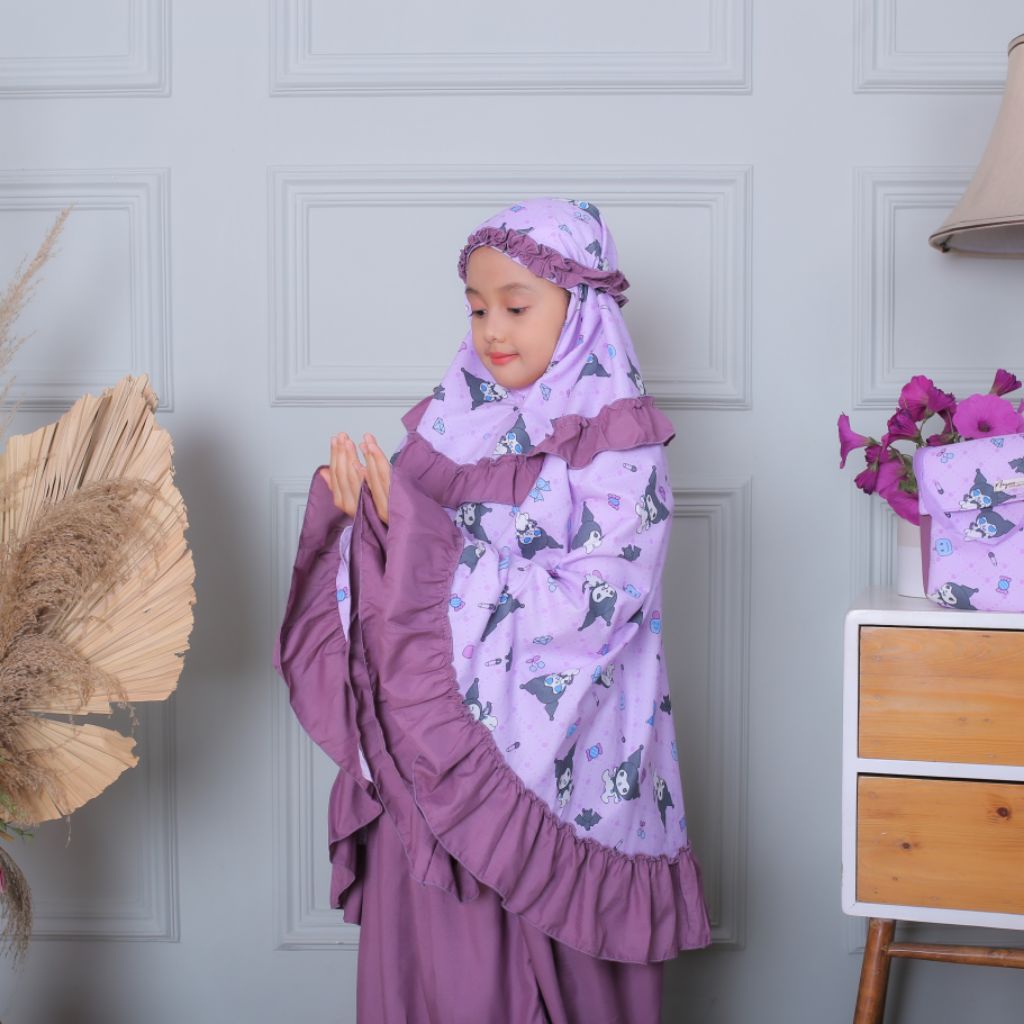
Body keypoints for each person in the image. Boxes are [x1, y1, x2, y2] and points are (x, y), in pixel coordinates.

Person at [274, 197, 711, 1024]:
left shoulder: (620, 451)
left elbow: (598, 604)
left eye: (516, 307)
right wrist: (366, 518)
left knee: (546, 963)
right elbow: (402, 586)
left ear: (580, 309)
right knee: (441, 972)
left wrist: (417, 535)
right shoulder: (454, 427)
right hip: (438, 756)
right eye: (477, 309)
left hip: (571, 759)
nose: (492, 331)